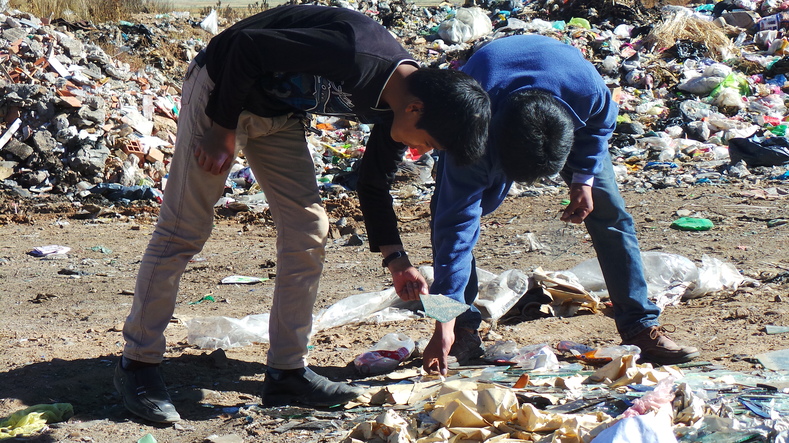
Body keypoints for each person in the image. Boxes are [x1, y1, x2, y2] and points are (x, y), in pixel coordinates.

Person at [114, 4, 490, 423]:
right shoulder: (356, 54)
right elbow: (243, 45)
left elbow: (372, 182)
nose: (428, 151)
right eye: (432, 142)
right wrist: (222, 128)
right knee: (183, 228)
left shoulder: (397, 105)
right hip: (222, 90)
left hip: (276, 114)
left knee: (310, 228)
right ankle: (139, 364)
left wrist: (396, 260)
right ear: (416, 110)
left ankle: (287, 371)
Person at [363, 33, 700, 376]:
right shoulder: (471, 136)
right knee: (448, 221)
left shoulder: (587, 92)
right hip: (490, 104)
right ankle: (463, 329)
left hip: (558, 89)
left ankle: (640, 326)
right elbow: (455, 233)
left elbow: (601, 126)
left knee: (609, 212)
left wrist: (583, 179)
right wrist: (442, 325)